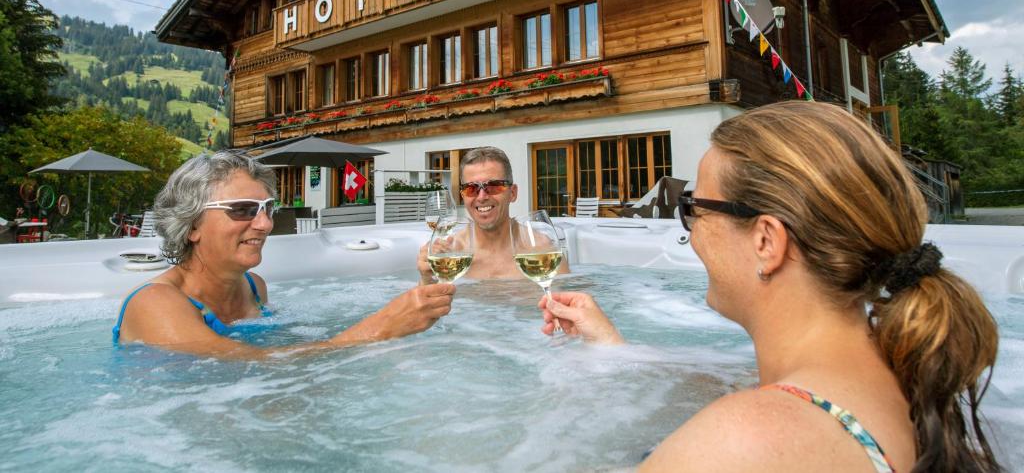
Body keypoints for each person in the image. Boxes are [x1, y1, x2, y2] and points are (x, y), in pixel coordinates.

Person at [540, 101, 1002, 473]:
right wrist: (614, 350)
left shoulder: (743, 443)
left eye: (694, 208)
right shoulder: (905, 372)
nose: (692, 232)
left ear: (766, 241)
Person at [113, 152, 455, 358]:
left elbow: (289, 354)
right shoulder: (155, 303)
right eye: (243, 210)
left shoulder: (254, 287)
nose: (264, 224)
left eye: (267, 208)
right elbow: (251, 363)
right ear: (191, 225)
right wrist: (380, 328)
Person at [418, 146, 569, 283]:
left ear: (513, 193)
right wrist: (426, 279)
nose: (482, 197)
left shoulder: (542, 250)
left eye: (494, 186)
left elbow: (566, 305)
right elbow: (429, 309)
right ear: (463, 196)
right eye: (471, 188)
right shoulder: (450, 255)